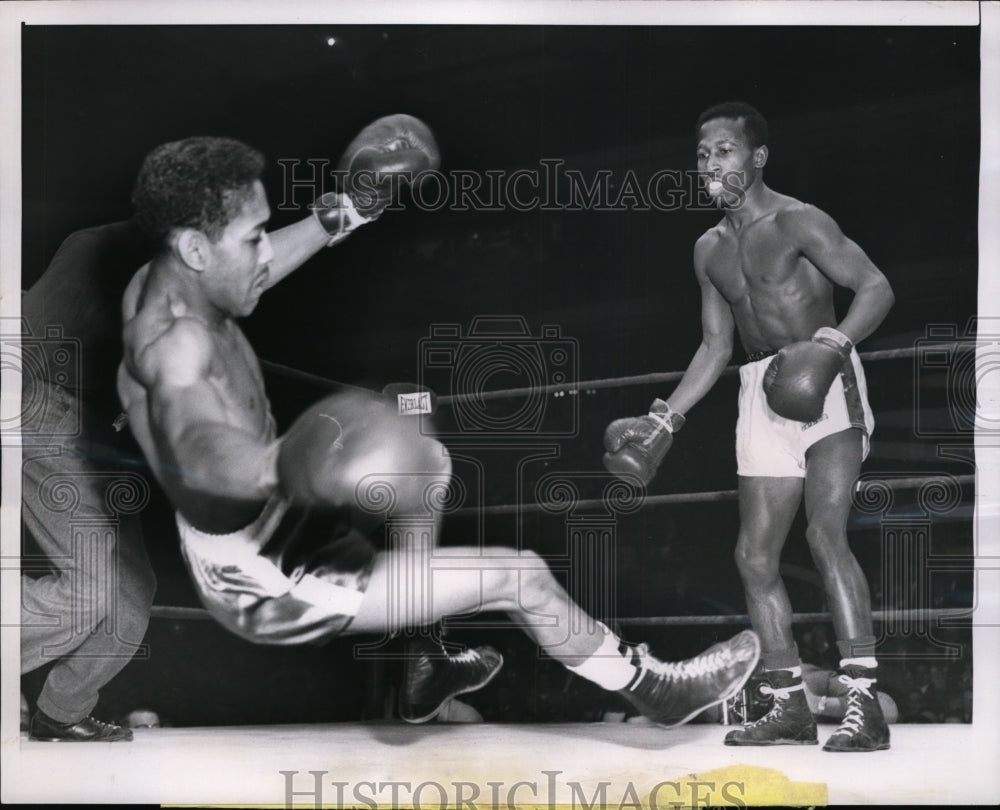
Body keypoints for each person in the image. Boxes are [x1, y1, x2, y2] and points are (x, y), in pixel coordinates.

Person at [117, 133, 762, 729]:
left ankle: (422, 663)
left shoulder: (165, 279)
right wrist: (277, 464)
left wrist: (348, 211)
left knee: (423, 452)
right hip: (267, 578)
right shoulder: (174, 347)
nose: (266, 252)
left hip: (267, 528)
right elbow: (195, 442)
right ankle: (656, 689)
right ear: (196, 250)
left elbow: (255, 273)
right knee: (522, 576)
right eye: (254, 237)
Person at [19, 117, 407, 741]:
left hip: (89, 435)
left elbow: (257, 268)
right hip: (38, 410)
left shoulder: (182, 274)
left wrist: (347, 214)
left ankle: (60, 711)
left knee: (128, 596)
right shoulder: (101, 251)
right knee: (86, 591)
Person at [603, 102, 895, 752]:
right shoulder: (708, 248)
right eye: (703, 154)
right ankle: (788, 704)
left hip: (824, 375)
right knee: (753, 555)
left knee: (824, 535)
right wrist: (665, 418)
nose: (711, 163)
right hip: (757, 387)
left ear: (757, 157)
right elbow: (715, 346)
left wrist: (830, 347)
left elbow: (876, 287)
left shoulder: (797, 220)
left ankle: (863, 702)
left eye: (725, 150)